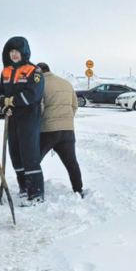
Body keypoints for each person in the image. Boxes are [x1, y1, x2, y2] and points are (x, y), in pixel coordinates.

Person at [0, 36, 45, 206]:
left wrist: (13, 101)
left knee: (29, 153)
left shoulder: (34, 71)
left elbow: (33, 94)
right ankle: (24, 188)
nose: (13, 54)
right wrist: (3, 104)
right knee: (15, 153)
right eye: (11, 51)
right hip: (12, 117)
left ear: (23, 52)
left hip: (29, 116)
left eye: (16, 51)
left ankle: (36, 193)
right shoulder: (6, 71)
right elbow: (0, 93)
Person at [36, 62, 84, 197]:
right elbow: (74, 105)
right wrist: (66, 120)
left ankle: (33, 189)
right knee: (71, 162)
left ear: (39, 72)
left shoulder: (41, 84)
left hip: (48, 130)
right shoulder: (66, 84)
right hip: (67, 129)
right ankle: (78, 189)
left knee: (34, 161)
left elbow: (40, 108)